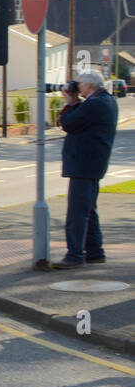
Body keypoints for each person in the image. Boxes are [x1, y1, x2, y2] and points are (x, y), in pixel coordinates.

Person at [52, 70, 119, 268]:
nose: (76, 87)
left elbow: (68, 123)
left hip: (84, 164)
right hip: (93, 163)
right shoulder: (106, 100)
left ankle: (75, 255)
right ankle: (95, 252)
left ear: (89, 86)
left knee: (77, 212)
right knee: (89, 209)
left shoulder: (95, 104)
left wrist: (70, 102)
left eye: (79, 84)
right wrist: (74, 103)